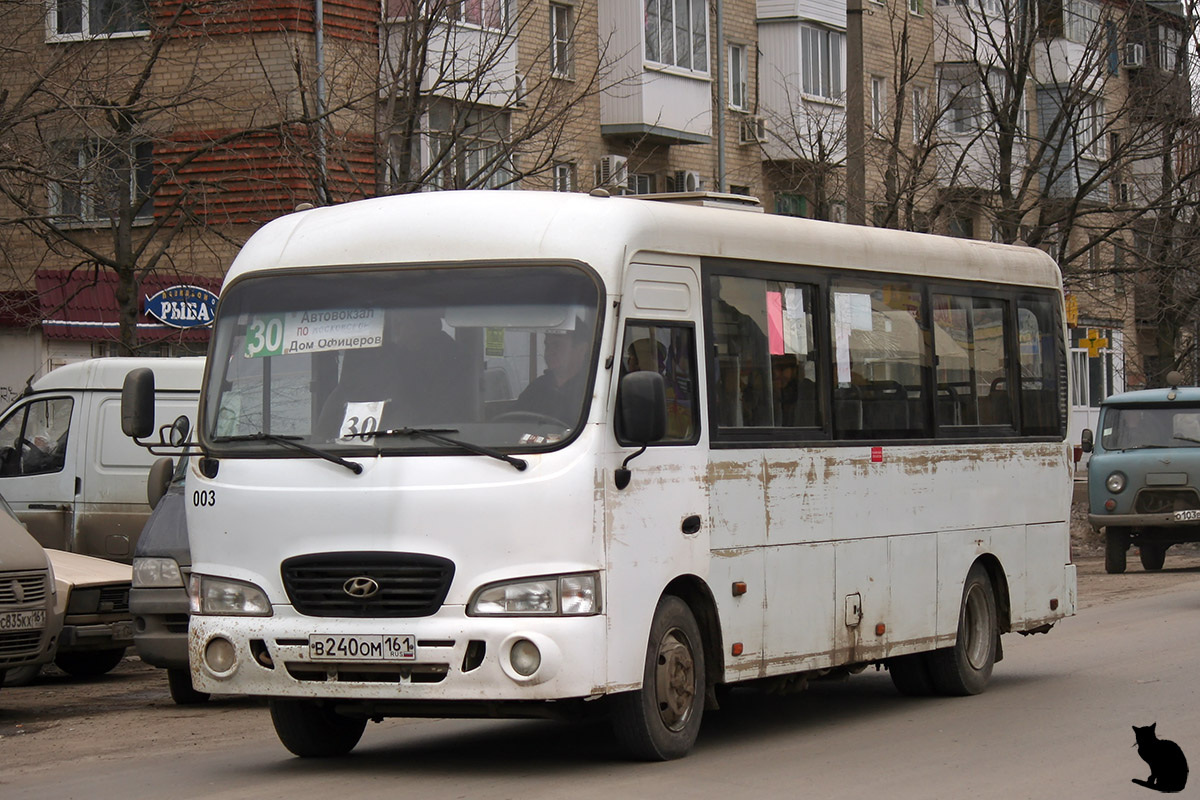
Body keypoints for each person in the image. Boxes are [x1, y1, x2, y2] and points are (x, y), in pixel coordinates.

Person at [515, 326, 590, 421]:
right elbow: (510, 421)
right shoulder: (537, 388)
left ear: (581, 350)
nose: (549, 352)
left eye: (557, 345)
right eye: (547, 345)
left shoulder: (590, 390)